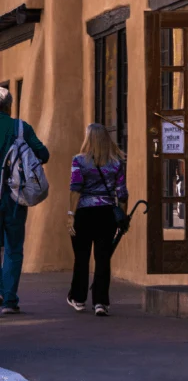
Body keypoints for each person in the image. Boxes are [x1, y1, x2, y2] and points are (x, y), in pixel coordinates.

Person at [67, 123, 128, 316]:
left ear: (88, 139)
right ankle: (101, 302)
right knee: (103, 258)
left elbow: (75, 189)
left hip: (84, 213)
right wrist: (122, 216)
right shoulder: (117, 163)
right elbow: (122, 193)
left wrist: (71, 215)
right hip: (107, 213)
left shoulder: (79, 161)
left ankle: (78, 298)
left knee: (81, 257)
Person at [0, 87, 49, 314]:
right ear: (9, 106)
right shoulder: (21, 128)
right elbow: (44, 154)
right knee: (13, 248)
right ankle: (9, 299)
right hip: (14, 196)